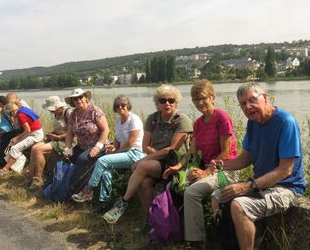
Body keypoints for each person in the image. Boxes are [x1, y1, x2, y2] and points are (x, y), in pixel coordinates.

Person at [214, 82, 306, 250]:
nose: (248, 106)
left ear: (265, 98)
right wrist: (222, 165)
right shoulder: (253, 123)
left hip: (287, 187)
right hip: (261, 185)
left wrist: (247, 187)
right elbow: (244, 160)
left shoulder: (285, 122)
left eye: (252, 100)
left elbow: (286, 170)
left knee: (239, 206)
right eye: (243, 103)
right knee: (217, 197)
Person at [161, 79, 238, 248]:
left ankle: (197, 242)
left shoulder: (222, 117)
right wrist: (177, 167)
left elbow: (226, 151)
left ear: (212, 97)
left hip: (226, 170)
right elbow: (192, 152)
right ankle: (173, 232)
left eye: (203, 98)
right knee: (173, 185)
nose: (199, 103)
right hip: (208, 169)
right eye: (196, 99)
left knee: (192, 192)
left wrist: (206, 172)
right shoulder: (198, 123)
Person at [102, 84, 192, 224]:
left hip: (175, 163)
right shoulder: (152, 119)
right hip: (156, 162)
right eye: (162, 100)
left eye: (171, 100)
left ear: (176, 101)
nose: (167, 103)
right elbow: (145, 146)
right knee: (144, 184)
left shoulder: (181, 120)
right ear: (157, 103)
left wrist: (147, 158)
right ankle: (151, 220)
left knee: (142, 166)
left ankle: (123, 203)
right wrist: (154, 154)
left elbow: (172, 149)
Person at [72, 95, 145, 205]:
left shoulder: (134, 119)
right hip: (125, 153)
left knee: (102, 161)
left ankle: (88, 190)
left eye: (123, 104)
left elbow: (131, 142)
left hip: (135, 153)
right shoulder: (118, 121)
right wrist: (113, 147)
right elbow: (117, 141)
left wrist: (117, 151)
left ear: (128, 105)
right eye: (117, 105)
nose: (120, 107)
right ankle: (104, 202)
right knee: (106, 173)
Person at [63, 88, 109, 197]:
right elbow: (69, 133)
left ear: (86, 98)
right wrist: (68, 148)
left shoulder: (94, 111)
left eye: (80, 97)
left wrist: (98, 147)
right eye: (75, 98)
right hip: (82, 145)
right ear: (72, 102)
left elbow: (105, 130)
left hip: (98, 144)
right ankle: (64, 187)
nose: (78, 100)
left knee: (82, 160)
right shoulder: (73, 114)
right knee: (67, 159)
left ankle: (79, 191)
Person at [24, 96, 71, 191]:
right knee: (34, 147)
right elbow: (59, 128)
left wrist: (58, 137)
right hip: (56, 138)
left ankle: (38, 179)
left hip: (67, 141)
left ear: (58, 107)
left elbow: (73, 131)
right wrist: (52, 133)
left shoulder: (68, 113)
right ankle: (30, 176)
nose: (51, 112)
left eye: (52, 110)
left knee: (38, 150)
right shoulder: (57, 114)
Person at [0, 102, 44, 174]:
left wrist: (17, 138)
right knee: (12, 144)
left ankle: (5, 170)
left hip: (35, 134)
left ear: (13, 111)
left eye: (10, 114)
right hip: (34, 132)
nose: (11, 116)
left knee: (15, 148)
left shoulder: (20, 115)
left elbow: (27, 130)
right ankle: (10, 167)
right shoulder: (22, 109)